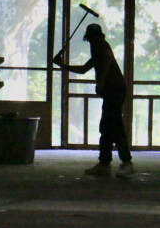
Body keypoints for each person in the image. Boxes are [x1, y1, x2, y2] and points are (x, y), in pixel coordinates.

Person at [53, 23, 133, 177]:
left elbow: (109, 60)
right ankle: (104, 163)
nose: (91, 42)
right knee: (107, 127)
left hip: (115, 89)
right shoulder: (97, 49)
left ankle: (126, 162)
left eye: (91, 39)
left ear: (95, 37)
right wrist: (63, 66)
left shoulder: (101, 45)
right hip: (112, 90)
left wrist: (101, 82)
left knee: (115, 126)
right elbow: (83, 69)